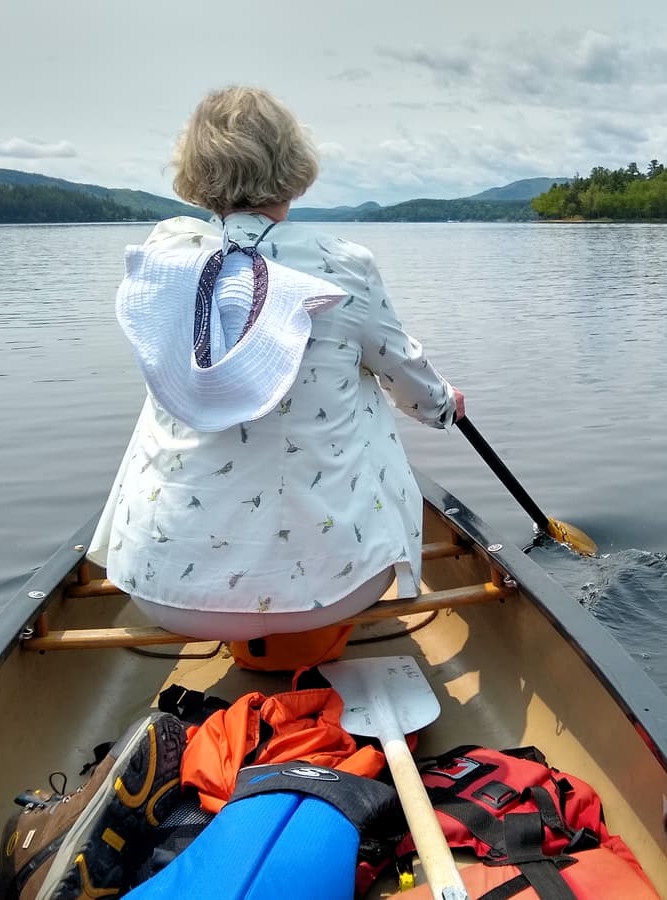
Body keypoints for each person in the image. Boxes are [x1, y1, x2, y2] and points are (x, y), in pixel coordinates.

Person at [87, 86, 464, 647]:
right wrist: (441, 406)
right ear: (295, 169)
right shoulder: (343, 264)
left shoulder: (163, 260)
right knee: (364, 382)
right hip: (334, 590)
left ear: (196, 172)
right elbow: (406, 377)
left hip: (159, 588)